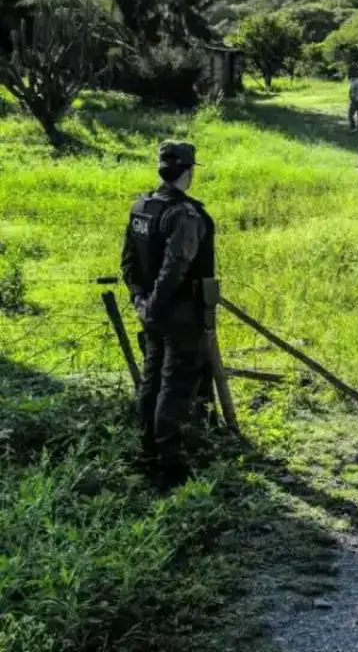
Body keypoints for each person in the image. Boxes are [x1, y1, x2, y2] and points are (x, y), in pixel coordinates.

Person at [121, 141, 217, 489]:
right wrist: (156, 305)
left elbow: (128, 263)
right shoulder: (185, 215)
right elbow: (176, 266)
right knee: (174, 389)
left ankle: (147, 453)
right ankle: (171, 466)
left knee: (152, 384)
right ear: (188, 172)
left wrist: (140, 302)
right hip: (179, 314)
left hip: (151, 310)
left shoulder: (141, 207)